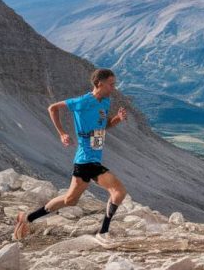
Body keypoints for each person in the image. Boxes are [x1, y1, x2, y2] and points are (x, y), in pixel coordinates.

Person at [13, 68, 128, 245]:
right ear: (99, 83)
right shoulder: (82, 101)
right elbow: (53, 108)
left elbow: (103, 127)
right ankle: (103, 232)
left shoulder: (105, 102)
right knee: (118, 191)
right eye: (111, 84)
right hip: (87, 159)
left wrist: (118, 119)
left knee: (70, 200)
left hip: (86, 161)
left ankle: (27, 218)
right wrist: (62, 133)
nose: (114, 88)